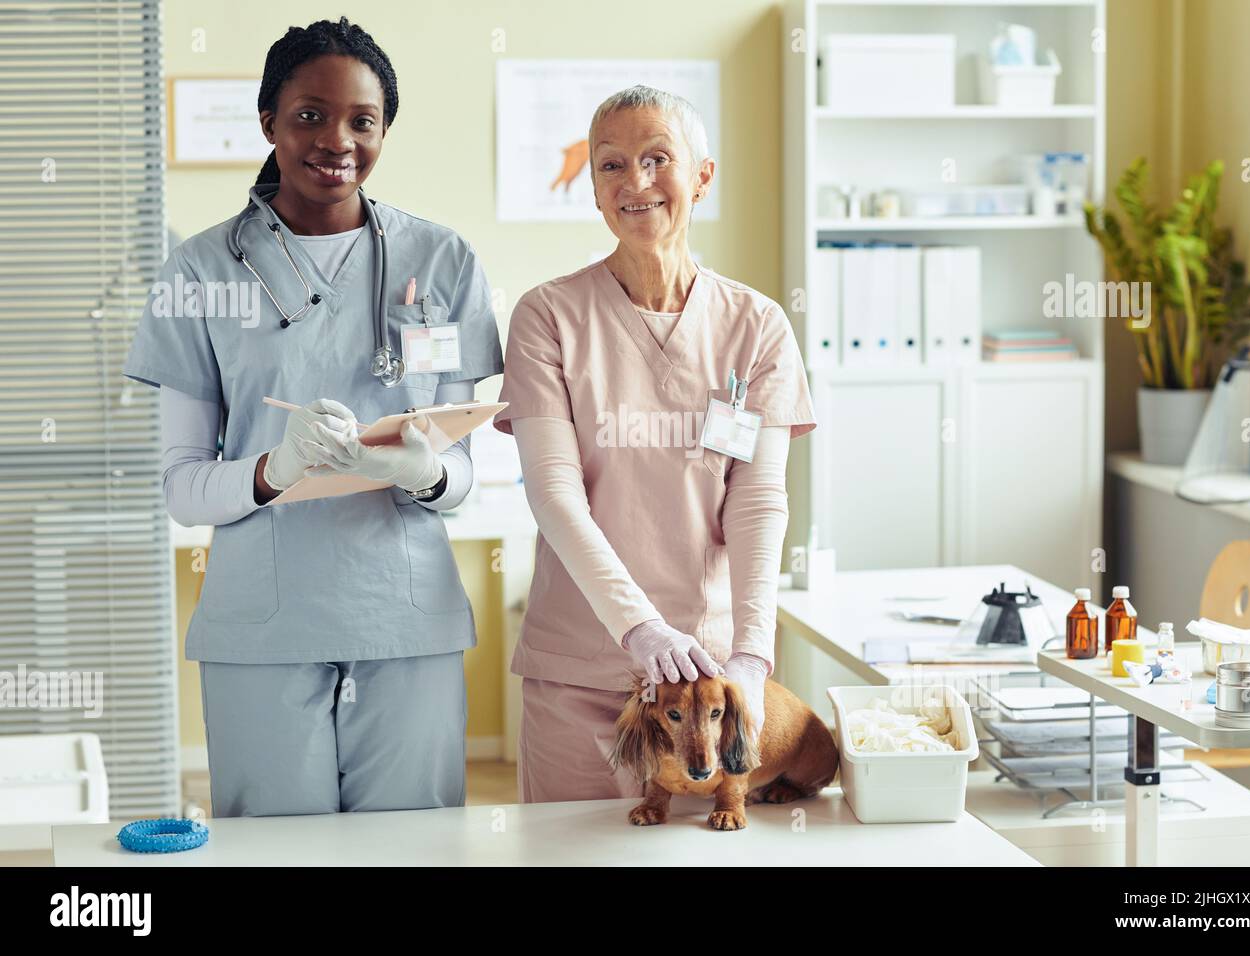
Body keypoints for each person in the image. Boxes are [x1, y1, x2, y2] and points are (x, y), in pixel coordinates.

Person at [123, 17, 502, 816]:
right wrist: (275, 470)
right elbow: (182, 490)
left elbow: (469, 477)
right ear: (268, 121)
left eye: (362, 121)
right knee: (275, 853)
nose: (337, 139)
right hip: (263, 626)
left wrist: (425, 472)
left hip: (406, 619)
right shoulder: (199, 271)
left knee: (414, 848)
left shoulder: (444, 262)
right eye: (309, 115)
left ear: (384, 131)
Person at [493, 85, 816, 803]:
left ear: (701, 176)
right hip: (580, 668)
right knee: (566, 854)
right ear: (594, 187)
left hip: (709, 684)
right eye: (610, 165)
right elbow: (553, 492)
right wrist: (638, 629)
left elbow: (758, 500)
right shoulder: (548, 316)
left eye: (657, 158)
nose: (634, 182)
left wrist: (754, 657)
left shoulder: (757, 326)